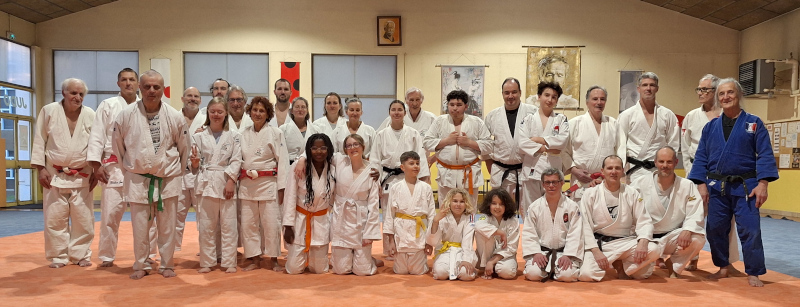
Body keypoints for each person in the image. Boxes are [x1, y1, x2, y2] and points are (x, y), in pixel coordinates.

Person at [688, 78, 779, 287]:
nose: (726, 97)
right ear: (718, 98)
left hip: (746, 186)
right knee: (715, 229)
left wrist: (763, 184)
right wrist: (701, 184)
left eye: (730, 93)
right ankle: (723, 267)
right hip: (717, 187)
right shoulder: (711, 127)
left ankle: (754, 271)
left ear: (738, 95)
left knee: (750, 229)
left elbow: (765, 154)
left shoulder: (753, 123)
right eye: (721, 94)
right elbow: (701, 156)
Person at [112, 70, 189, 279]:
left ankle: (166, 264)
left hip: (168, 178)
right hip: (138, 179)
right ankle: (141, 264)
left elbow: (184, 149)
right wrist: (130, 170)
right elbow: (118, 148)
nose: (151, 90)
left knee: (167, 227)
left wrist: (174, 173)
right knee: (140, 228)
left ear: (163, 89)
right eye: (147, 86)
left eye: (156, 87)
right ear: (140, 88)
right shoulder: (125, 115)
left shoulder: (174, 116)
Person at [89, 68, 156, 267]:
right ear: (118, 83)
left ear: (138, 84)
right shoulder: (108, 105)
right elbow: (97, 135)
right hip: (113, 166)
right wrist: (96, 164)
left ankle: (149, 254)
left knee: (146, 214)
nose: (128, 83)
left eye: (132, 80)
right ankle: (107, 256)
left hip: (141, 166)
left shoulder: (147, 106)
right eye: (124, 80)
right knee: (110, 214)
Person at [33, 78, 97, 269]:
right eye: (73, 93)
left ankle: (81, 254)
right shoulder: (49, 111)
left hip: (82, 173)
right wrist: (40, 168)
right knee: (55, 217)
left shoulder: (90, 115)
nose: (77, 97)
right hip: (54, 173)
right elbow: (39, 139)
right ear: (63, 93)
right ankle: (58, 256)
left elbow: (96, 144)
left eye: (81, 94)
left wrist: (96, 169)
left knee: (83, 218)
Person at [680, 74, 738, 271]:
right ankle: (692, 258)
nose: (701, 93)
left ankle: (726, 262)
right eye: (699, 89)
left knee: (725, 220)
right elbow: (685, 148)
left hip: (723, 175)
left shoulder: (728, 115)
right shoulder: (691, 116)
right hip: (697, 173)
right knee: (694, 217)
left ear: (716, 91)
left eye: (705, 89)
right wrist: (693, 178)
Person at [578, 155, 659, 282]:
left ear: (622, 171)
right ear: (602, 171)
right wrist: (595, 251)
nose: (614, 172)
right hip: (601, 244)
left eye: (617, 168)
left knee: (654, 250)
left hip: (626, 242)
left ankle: (622, 265)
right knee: (586, 274)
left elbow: (644, 220)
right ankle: (616, 263)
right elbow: (584, 224)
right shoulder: (590, 193)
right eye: (609, 168)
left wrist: (643, 243)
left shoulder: (632, 192)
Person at [632, 146, 705, 278]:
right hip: (647, 238)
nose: (665, 165)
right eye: (661, 162)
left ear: (676, 163)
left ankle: (674, 264)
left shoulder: (686, 185)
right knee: (640, 275)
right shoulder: (640, 183)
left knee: (697, 238)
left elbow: (695, 211)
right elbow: (627, 208)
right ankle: (649, 260)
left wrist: (687, 229)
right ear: (655, 162)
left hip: (673, 236)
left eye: (669, 162)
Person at [371, 100, 430, 260]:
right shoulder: (381, 134)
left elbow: (420, 158)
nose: (397, 112)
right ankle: (390, 249)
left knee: (408, 213)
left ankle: (408, 246)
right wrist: (374, 183)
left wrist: (424, 180)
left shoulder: (413, 133)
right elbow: (375, 160)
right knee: (389, 215)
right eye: (393, 110)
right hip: (388, 179)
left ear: (404, 113)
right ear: (389, 113)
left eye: (400, 110)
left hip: (408, 178)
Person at [190, 97, 242, 274]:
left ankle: (229, 262)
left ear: (226, 113)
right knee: (206, 225)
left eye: (220, 111)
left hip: (226, 181)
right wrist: (195, 163)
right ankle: (207, 261)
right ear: (208, 113)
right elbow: (193, 165)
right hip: (205, 182)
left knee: (228, 225)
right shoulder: (198, 136)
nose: (216, 115)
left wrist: (230, 181)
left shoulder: (234, 136)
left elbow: (236, 160)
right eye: (213, 111)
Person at [238, 96, 289, 271]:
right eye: (255, 110)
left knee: (271, 222)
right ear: (249, 112)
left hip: (269, 183)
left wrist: (282, 187)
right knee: (249, 223)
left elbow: (282, 161)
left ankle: (274, 257)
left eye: (262, 111)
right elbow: (237, 159)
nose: (257, 113)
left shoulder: (276, 133)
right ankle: (253, 257)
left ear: (268, 114)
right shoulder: (243, 134)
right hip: (247, 184)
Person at [424, 90, 492, 206]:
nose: (455, 108)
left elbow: (489, 146)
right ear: (448, 105)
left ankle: (469, 225)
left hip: (469, 172)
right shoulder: (440, 121)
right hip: (446, 173)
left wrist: (469, 142)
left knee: (469, 208)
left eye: (459, 105)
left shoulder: (477, 122)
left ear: (466, 106)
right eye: (452, 105)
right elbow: (426, 142)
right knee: (446, 208)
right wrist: (446, 141)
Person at [283, 134, 336, 274]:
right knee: (294, 269)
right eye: (314, 148)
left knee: (320, 269)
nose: (319, 152)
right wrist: (288, 225)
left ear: (329, 149)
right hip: (300, 220)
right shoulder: (298, 166)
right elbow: (290, 196)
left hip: (321, 220)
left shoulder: (333, 167)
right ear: (308, 150)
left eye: (323, 148)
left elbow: (352, 159)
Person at [617, 72, 680, 184]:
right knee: (635, 201)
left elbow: (673, 144)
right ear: (638, 89)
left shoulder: (667, 115)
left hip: (659, 170)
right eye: (645, 85)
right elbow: (620, 145)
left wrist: (669, 167)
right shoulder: (626, 115)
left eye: (652, 85)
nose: (648, 88)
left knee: (659, 201)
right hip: (634, 171)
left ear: (657, 88)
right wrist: (620, 171)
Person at [517, 82, 570, 216]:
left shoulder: (561, 119)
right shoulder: (528, 119)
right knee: (530, 210)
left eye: (554, 97)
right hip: (531, 171)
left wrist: (538, 139)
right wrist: (548, 148)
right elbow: (522, 143)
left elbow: (562, 141)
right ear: (539, 96)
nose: (550, 100)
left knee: (552, 211)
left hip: (553, 170)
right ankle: (531, 236)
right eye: (546, 95)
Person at [484, 78, 538, 207]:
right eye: (506, 93)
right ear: (502, 94)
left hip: (526, 170)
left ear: (520, 92)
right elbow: (485, 145)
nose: (510, 96)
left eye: (514, 92)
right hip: (501, 171)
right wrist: (490, 167)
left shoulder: (533, 112)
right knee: (499, 211)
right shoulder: (492, 116)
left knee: (528, 210)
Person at [522, 168, 582, 282]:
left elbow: (576, 233)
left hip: (564, 252)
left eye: (554, 182)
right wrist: (536, 253)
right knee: (533, 274)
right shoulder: (535, 207)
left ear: (562, 183)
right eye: (547, 182)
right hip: (542, 252)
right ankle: (551, 269)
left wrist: (568, 254)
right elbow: (529, 232)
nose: (551, 185)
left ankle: (555, 269)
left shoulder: (572, 207)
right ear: (543, 184)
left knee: (567, 276)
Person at [384, 151, 436, 275]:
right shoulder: (395, 188)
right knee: (400, 271)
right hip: (401, 235)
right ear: (402, 167)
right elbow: (390, 215)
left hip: (420, 238)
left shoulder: (426, 187)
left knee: (418, 271)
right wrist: (390, 242)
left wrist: (430, 242)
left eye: (417, 163)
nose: (416, 166)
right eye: (411, 163)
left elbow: (432, 215)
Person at [564, 86, 618, 201]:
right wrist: (574, 170)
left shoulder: (613, 124)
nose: (599, 102)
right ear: (587, 102)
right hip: (581, 181)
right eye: (595, 99)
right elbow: (563, 152)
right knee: (580, 216)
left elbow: (620, 151)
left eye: (602, 99)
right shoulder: (574, 124)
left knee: (605, 216)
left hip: (606, 181)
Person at [176, 87, 205, 252]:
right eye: (189, 96)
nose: (192, 99)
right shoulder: (174, 117)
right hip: (178, 173)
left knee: (203, 215)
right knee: (176, 215)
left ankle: (205, 249)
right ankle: (173, 250)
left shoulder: (207, 118)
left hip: (199, 172)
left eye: (196, 96)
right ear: (182, 98)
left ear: (200, 100)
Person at [377, 88, 437, 167]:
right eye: (411, 100)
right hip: (397, 164)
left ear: (422, 100)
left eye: (417, 99)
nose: (414, 103)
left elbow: (444, 139)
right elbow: (378, 137)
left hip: (421, 163)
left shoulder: (431, 118)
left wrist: (434, 157)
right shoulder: (398, 116)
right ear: (406, 100)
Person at [426, 188, 477, 281]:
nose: (458, 204)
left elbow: (468, 241)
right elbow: (433, 241)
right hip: (445, 251)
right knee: (441, 273)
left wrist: (466, 259)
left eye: (462, 201)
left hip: (463, 251)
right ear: (449, 202)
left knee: (466, 274)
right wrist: (435, 221)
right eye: (455, 201)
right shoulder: (442, 217)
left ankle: (460, 270)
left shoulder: (471, 218)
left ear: (466, 204)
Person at [474, 188, 519, 280]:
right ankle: (485, 266)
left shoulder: (513, 221)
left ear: (507, 206)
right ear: (489, 205)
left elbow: (512, 246)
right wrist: (500, 232)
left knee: (508, 273)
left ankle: (492, 265)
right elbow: (478, 226)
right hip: (485, 256)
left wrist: (492, 261)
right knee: (482, 232)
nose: (497, 207)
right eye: (494, 203)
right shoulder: (485, 217)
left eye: (501, 204)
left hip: (504, 256)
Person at [281, 97, 318, 164]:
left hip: (310, 164)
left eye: (303, 107)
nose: (300, 110)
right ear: (291, 111)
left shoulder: (315, 130)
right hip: (289, 165)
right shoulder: (283, 129)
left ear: (307, 111)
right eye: (297, 107)